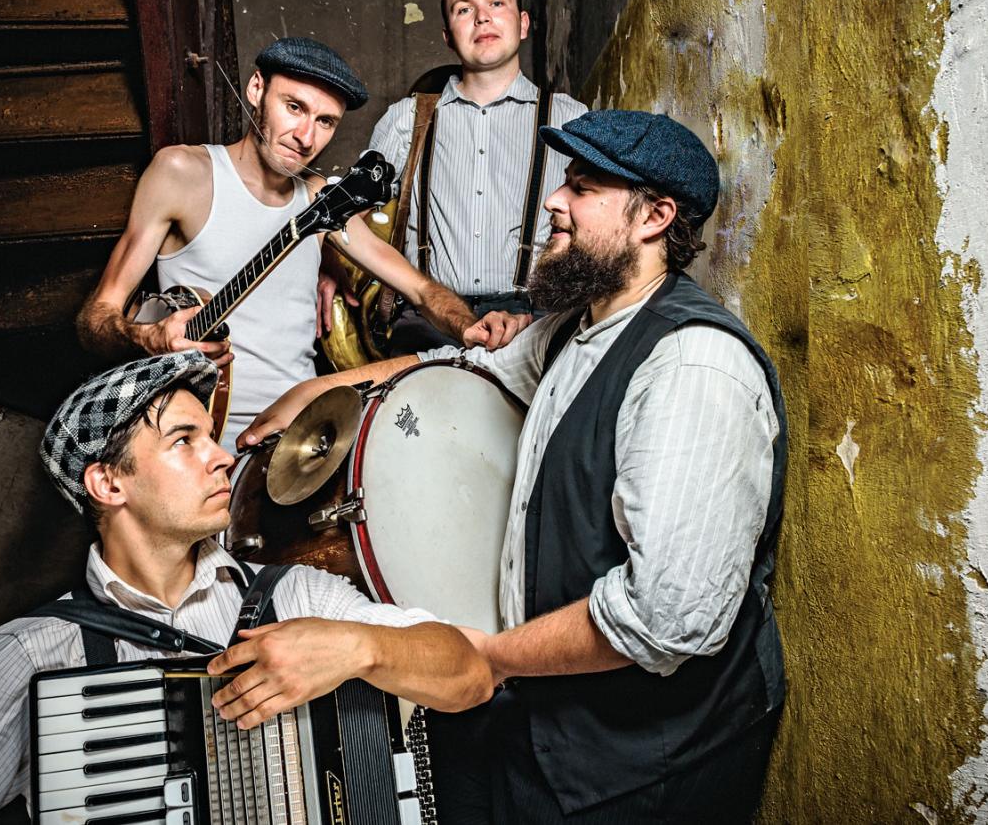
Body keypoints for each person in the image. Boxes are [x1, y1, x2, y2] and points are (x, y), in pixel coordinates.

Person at [244, 109, 788, 822]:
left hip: (650, 761)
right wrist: (322, 392)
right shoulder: (576, 326)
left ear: (655, 218)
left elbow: (664, 618)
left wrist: (493, 657)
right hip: (548, 714)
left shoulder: (693, 367)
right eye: (564, 181)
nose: (554, 202)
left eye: (583, 188)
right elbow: (468, 367)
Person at [0, 351, 493, 823]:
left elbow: (471, 676)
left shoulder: (296, 597)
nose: (223, 457)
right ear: (108, 483)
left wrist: (362, 649)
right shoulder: (25, 661)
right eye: (185, 440)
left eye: (212, 437)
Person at [77, 36, 522, 449]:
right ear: (256, 89)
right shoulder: (182, 174)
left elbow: (420, 289)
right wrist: (150, 336)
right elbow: (95, 319)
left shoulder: (319, 200)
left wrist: (468, 326)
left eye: (325, 121)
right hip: (198, 441)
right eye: (294, 107)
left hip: (300, 440)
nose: (306, 137)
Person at [319, 0, 588, 353]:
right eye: (464, 9)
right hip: (427, 323)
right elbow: (347, 213)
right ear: (448, 36)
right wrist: (329, 262)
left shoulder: (571, 119)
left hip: (536, 323)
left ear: (523, 23)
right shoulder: (406, 118)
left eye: (496, 2)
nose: (482, 17)